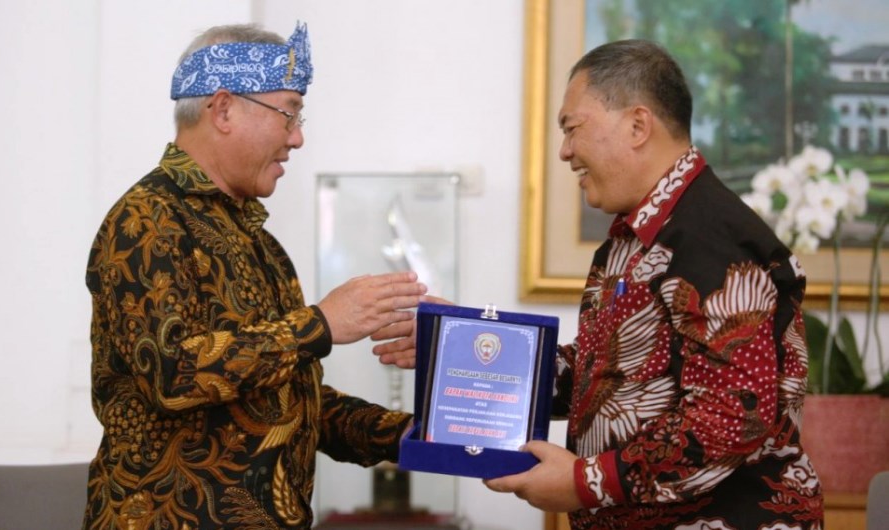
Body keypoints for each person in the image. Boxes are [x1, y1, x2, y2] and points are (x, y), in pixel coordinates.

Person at [83, 22, 428, 529]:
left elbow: (286, 400)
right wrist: (320, 325)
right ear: (223, 109)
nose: (298, 137)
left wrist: (410, 436)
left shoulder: (259, 243)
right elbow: (174, 374)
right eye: (289, 111)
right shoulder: (147, 219)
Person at [480, 40, 825, 528]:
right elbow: (605, 379)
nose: (565, 152)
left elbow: (729, 416)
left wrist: (585, 483)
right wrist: (466, 347)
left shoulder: (708, 236)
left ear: (638, 126)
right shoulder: (640, 235)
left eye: (572, 128)